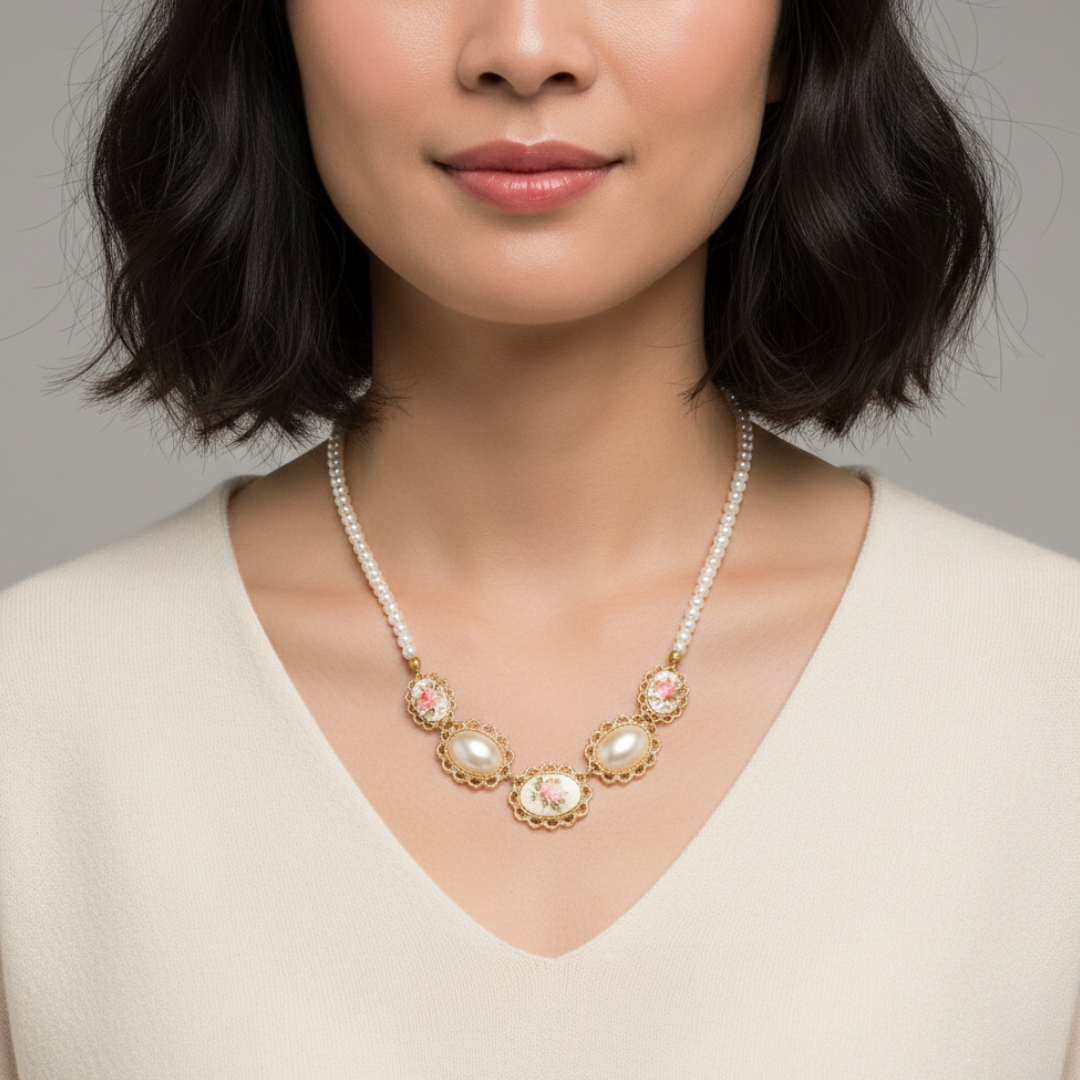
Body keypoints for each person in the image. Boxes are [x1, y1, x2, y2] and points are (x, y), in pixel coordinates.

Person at [1, 0, 1077, 1073]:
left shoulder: (1047, 691)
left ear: (795, 32)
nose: (524, 50)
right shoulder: (38, 714)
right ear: (273, 28)